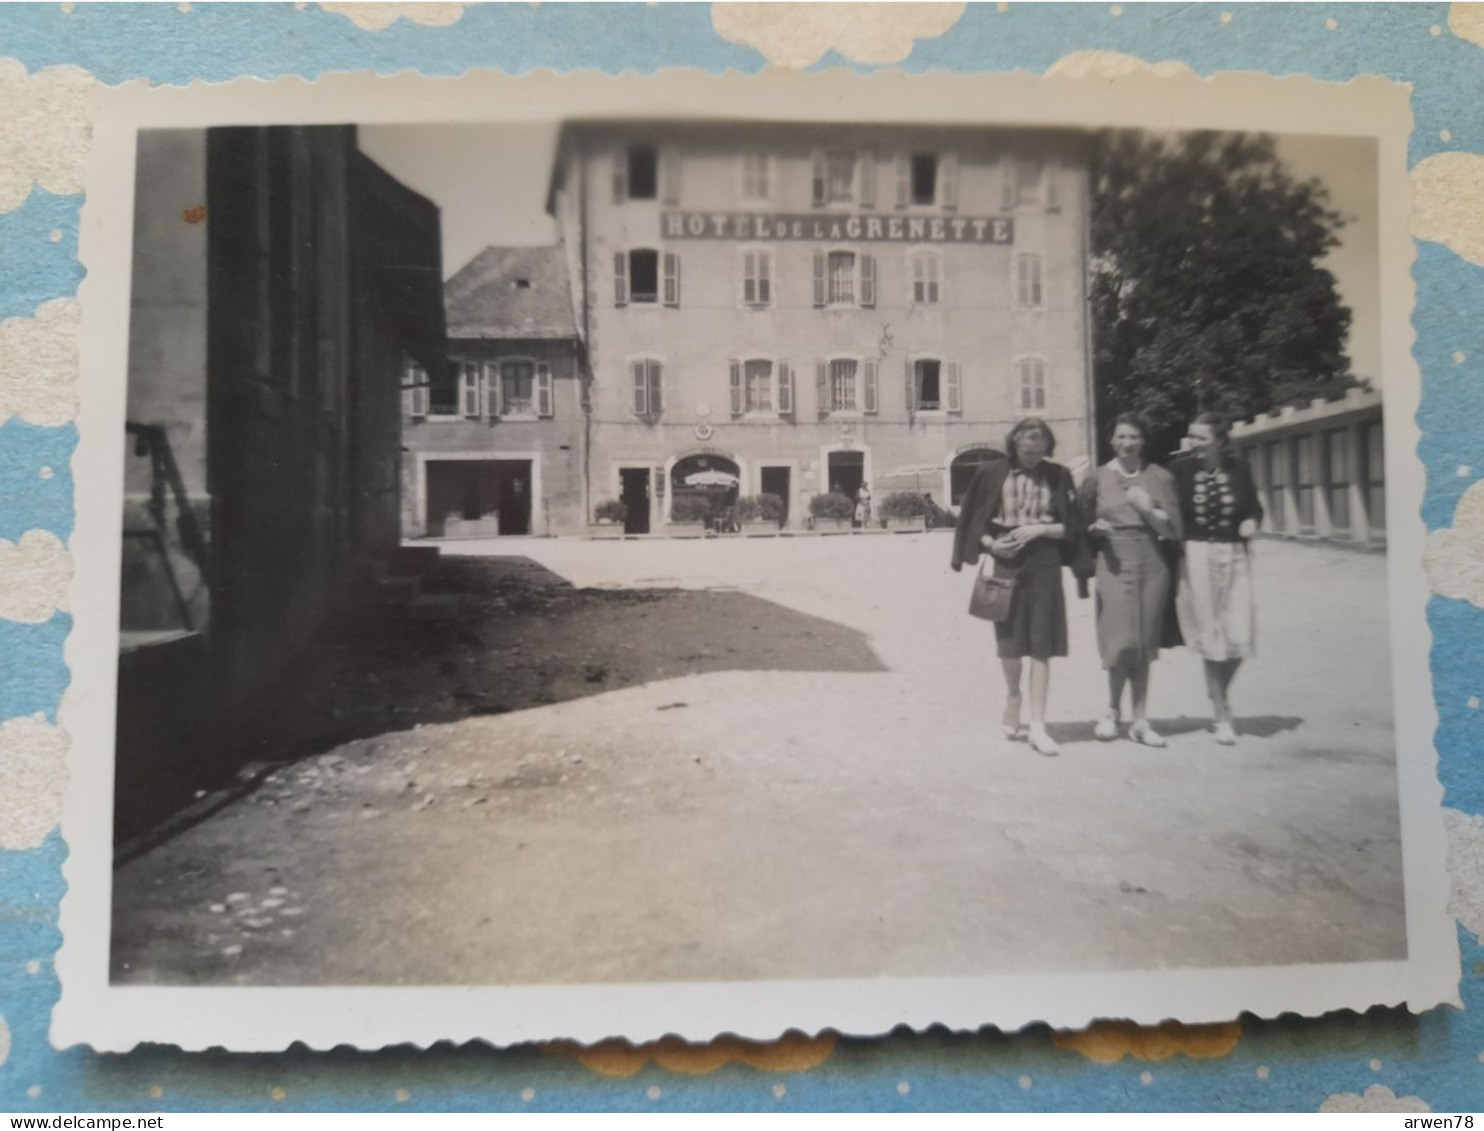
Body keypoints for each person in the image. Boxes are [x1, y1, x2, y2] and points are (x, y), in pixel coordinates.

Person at [951, 418, 1079, 757]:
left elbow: (1073, 526)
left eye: (1039, 451)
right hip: (1005, 560)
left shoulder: (1059, 476)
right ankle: (1013, 697)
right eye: (1026, 451)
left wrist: (1040, 530)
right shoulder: (992, 472)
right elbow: (973, 519)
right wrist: (991, 545)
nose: (1033, 457)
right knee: (1008, 643)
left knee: (1041, 643)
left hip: (1045, 563)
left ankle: (1037, 725)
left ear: (1046, 448)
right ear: (1015, 446)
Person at [1076, 413, 1183, 747]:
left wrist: (1149, 510)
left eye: (1133, 437)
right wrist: (1095, 529)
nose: (1126, 443)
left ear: (1143, 441)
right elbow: (1080, 524)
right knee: (1119, 641)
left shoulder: (1159, 477)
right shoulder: (1097, 478)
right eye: (1121, 436)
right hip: (1113, 560)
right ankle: (1111, 711)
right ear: (1112, 440)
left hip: (1152, 562)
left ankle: (1140, 719)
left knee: (1143, 642)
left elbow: (1174, 531)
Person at [1171, 411, 1263, 745]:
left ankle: (1217, 691)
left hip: (1235, 553)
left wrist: (1251, 521)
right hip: (1196, 554)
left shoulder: (1240, 469)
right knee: (1210, 632)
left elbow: (1254, 506)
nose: (1193, 443)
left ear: (1219, 441)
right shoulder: (1180, 471)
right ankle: (1222, 713)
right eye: (1191, 436)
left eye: (1200, 438)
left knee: (1240, 632)